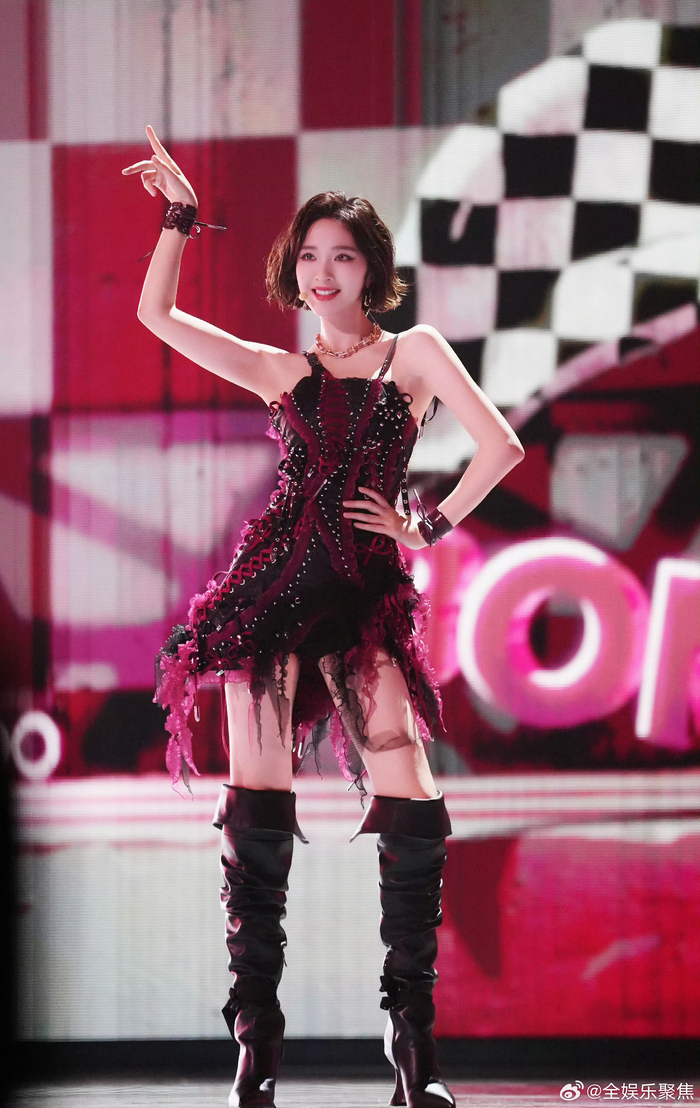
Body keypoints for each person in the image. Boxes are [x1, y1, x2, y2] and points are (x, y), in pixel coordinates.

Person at [123, 125, 524, 1108]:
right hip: (269, 601)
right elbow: (156, 315)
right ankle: (256, 1042)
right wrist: (180, 217)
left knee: (413, 803)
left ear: (370, 270)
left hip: (363, 605)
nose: (322, 271)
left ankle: (412, 1041)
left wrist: (426, 525)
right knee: (255, 810)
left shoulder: (414, 355)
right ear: (294, 271)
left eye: (341, 255)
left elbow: (501, 446)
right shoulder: (279, 370)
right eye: (309, 256)